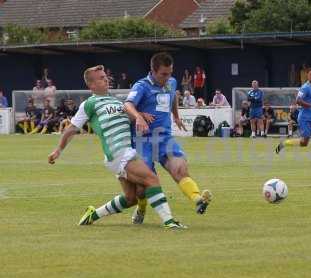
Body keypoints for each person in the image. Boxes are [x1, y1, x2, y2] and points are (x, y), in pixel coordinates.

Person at [48, 65, 185, 229]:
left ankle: (93, 214)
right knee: (152, 179)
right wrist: (58, 150)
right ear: (91, 85)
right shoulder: (89, 104)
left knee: (131, 198)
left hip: (124, 152)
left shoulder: (117, 102)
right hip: (118, 153)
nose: (106, 79)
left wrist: (140, 116)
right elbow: (72, 129)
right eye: (101, 78)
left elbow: (129, 117)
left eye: (106, 76)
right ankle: (169, 221)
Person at [125, 52, 212, 224]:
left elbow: (173, 98)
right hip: (143, 140)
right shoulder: (141, 86)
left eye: (170, 73)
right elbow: (127, 105)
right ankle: (141, 208)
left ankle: (198, 199)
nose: (168, 77)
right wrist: (139, 117)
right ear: (153, 71)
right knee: (142, 187)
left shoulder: (171, 82)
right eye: (163, 74)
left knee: (180, 168)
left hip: (164, 138)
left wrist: (176, 116)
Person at [275, 68, 311, 167]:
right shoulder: (305, 87)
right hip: (304, 116)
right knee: (304, 142)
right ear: (308, 76)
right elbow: (298, 100)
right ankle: (284, 144)